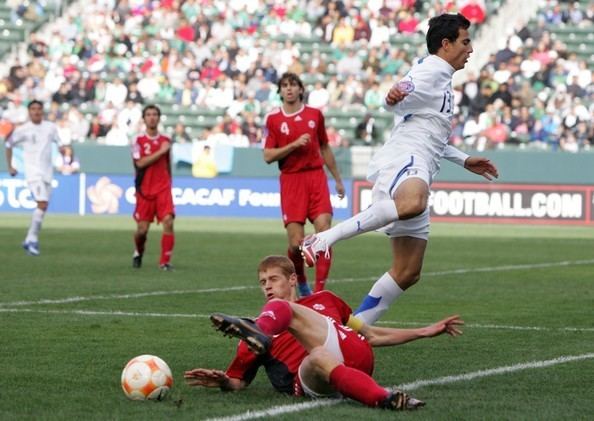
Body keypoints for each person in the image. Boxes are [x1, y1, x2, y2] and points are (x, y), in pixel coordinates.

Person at [301, 14, 499, 325]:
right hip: (406, 157)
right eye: (465, 41)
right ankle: (322, 239)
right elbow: (406, 86)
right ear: (446, 45)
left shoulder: (443, 76)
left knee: (408, 271)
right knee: (412, 203)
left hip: (421, 160)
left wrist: (463, 159)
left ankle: (354, 329)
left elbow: (428, 129)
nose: (471, 48)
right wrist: (395, 93)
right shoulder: (432, 69)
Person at [184, 255, 463, 411]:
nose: (267, 286)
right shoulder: (249, 342)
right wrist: (223, 381)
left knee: (284, 313)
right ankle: (385, 398)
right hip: (315, 375)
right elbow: (237, 382)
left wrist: (424, 331)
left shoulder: (327, 300)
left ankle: (267, 330)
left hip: (354, 350)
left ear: (292, 279)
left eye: (273, 279)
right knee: (317, 355)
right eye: (262, 282)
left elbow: (371, 335)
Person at [263, 72, 345, 297]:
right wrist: (293, 145)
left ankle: (319, 292)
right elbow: (268, 156)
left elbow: (325, 147)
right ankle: (301, 283)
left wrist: (337, 179)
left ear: (301, 89)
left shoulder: (315, 115)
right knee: (295, 244)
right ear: (280, 91)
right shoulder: (274, 120)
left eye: (293, 85)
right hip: (291, 180)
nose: (289, 89)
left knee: (324, 232)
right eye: (284, 85)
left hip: (316, 177)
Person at [4, 100, 62, 256]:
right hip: (33, 173)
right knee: (41, 203)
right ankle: (32, 241)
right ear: (29, 112)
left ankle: (30, 238)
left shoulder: (50, 128)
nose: (36, 111)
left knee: (43, 207)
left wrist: (64, 154)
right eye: (33, 109)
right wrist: (10, 166)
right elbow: (8, 144)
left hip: (48, 173)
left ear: (42, 111)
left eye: (38, 109)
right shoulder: (23, 130)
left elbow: (60, 143)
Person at [131, 104, 175, 270]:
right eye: (148, 114)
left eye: (155, 114)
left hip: (163, 187)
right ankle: (138, 251)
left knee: (168, 222)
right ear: (144, 119)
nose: (152, 117)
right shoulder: (137, 141)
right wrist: (161, 152)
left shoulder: (165, 140)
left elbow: (168, 164)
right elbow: (140, 163)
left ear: (159, 118)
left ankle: (165, 262)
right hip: (144, 189)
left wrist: (169, 182)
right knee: (142, 230)